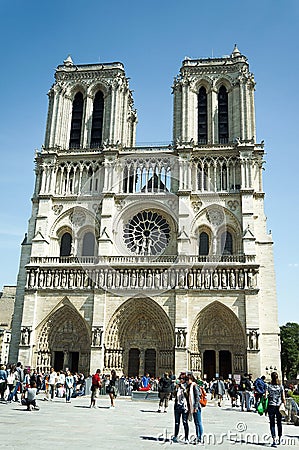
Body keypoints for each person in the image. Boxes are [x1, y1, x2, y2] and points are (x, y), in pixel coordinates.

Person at [266, 371, 286, 448]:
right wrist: (284, 405)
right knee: (279, 422)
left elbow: (265, 396)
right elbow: (283, 397)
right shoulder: (280, 386)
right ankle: (280, 438)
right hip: (278, 406)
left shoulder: (268, 386)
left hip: (271, 406)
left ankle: (274, 439)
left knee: (272, 423)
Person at [187, 374, 204, 445]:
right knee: (196, 423)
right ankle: (198, 437)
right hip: (193, 407)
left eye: (187, 380)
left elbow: (197, 397)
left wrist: (195, 407)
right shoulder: (191, 386)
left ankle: (200, 438)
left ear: (191, 379)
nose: (186, 381)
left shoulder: (194, 386)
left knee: (198, 423)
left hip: (196, 407)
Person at [172, 374, 189, 444]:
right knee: (176, 422)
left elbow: (188, 396)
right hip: (177, 406)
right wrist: (176, 389)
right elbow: (173, 395)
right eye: (180, 379)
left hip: (184, 407)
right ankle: (175, 436)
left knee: (185, 422)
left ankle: (186, 438)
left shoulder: (187, 387)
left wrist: (184, 389)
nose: (180, 380)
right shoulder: (177, 387)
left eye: (182, 379)